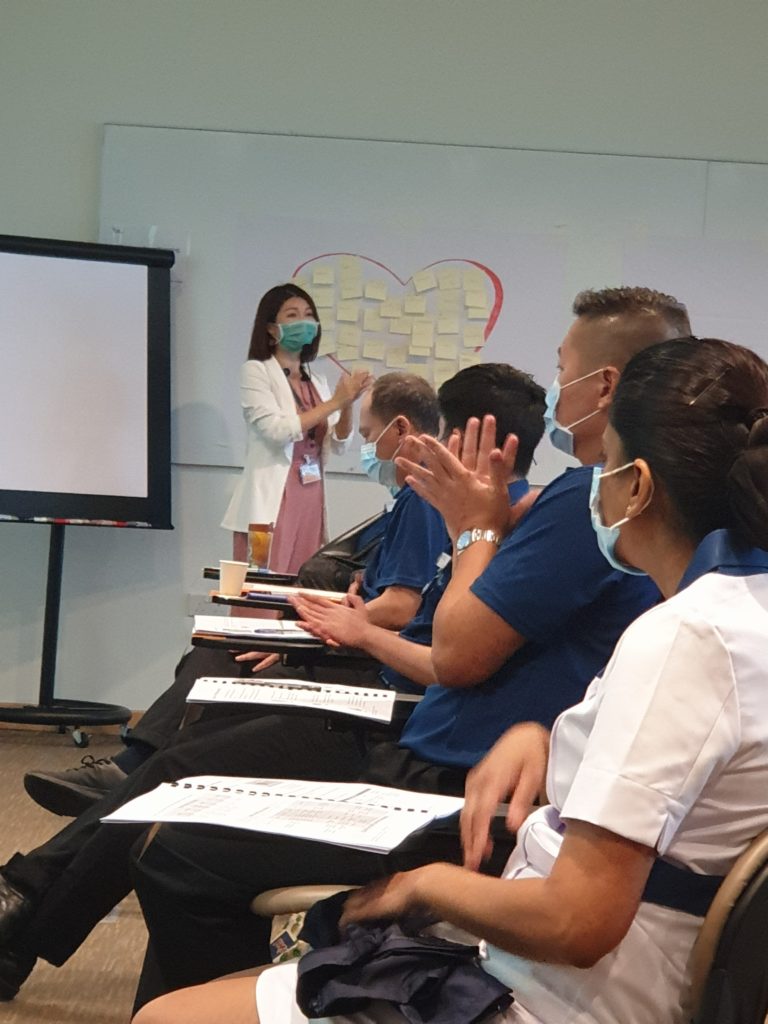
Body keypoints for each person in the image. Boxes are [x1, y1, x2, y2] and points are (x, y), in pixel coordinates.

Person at [135, 335, 768, 1024]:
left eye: (608, 465)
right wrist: (548, 740)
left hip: (551, 995)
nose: (596, 486)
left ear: (638, 486)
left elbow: (575, 920)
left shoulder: (684, 637)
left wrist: (422, 887)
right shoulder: (738, 613)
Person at [0, 364, 535, 1002]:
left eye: (441, 436)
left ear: (469, 441)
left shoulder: (489, 525)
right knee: (191, 738)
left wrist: (352, 629)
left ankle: (29, 899)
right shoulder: (459, 518)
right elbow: (425, 627)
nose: (428, 449)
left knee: (181, 799)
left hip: (393, 717)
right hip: (389, 703)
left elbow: (442, 653)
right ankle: (31, 896)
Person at [24, 372, 448, 818]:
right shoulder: (409, 499)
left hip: (361, 660)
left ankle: (133, 769)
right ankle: (137, 770)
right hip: (351, 641)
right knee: (216, 653)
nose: (365, 447)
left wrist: (314, 628)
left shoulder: (422, 499)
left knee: (222, 655)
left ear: (400, 429)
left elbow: (404, 605)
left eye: (367, 435)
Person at [220, 283, 371, 572]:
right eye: (292, 315)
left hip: (310, 496)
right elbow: (277, 432)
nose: (303, 322)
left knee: (300, 589)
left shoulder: (316, 381)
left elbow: (338, 445)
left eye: (308, 315)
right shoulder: (256, 372)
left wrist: (347, 403)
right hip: (269, 504)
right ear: (271, 329)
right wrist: (336, 402)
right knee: (260, 591)